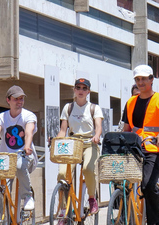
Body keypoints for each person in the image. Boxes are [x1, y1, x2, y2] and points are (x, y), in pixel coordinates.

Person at [121, 65, 159, 225]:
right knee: (120, 181)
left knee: (148, 184)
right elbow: (126, 128)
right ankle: (121, 216)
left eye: (144, 79)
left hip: (156, 149)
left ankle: (157, 221)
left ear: (151, 79)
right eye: (138, 79)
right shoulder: (130, 102)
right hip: (135, 149)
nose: (141, 82)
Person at [0, 85, 38, 211]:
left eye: (21, 99)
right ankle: (4, 219)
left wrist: (27, 147)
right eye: (16, 99)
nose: (19, 102)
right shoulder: (1, 118)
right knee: (2, 189)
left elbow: (28, 133)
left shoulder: (29, 116)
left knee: (19, 165)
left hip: (24, 156)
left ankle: (27, 196)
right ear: (8, 100)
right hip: (6, 159)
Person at [56, 78, 104, 215]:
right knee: (62, 174)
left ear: (88, 91)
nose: (81, 91)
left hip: (90, 142)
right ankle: (64, 210)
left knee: (88, 169)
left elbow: (98, 127)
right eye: (78, 87)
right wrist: (58, 140)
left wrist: (96, 136)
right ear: (74, 90)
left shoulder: (94, 108)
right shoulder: (68, 107)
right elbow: (63, 130)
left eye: (84, 88)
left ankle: (91, 198)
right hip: (72, 143)